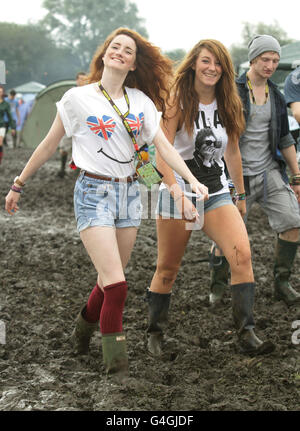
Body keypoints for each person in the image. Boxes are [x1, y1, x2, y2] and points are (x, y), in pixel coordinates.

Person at [5, 28, 208, 376]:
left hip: (130, 195)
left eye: (128, 51)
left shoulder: (141, 103)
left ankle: (81, 332)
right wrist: (18, 183)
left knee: (107, 280)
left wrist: (191, 182)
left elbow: (163, 148)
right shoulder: (76, 98)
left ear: (133, 63)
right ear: (104, 55)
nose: (120, 53)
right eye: (115, 47)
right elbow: (49, 144)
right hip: (92, 193)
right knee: (117, 286)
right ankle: (118, 370)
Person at [145, 39, 275, 358]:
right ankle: (154, 335)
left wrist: (240, 193)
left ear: (225, 70)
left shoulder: (228, 101)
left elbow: (231, 151)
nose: (212, 68)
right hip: (177, 194)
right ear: (194, 64)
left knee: (242, 256)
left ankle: (245, 332)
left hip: (216, 193)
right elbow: (161, 154)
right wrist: (177, 194)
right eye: (206, 61)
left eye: (218, 63)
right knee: (167, 269)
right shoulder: (177, 100)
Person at [209, 35, 300, 308]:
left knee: (293, 222)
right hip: (234, 175)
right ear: (253, 59)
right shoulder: (231, 91)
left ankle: (282, 284)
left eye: (274, 60)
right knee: (228, 235)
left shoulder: (277, 95)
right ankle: (218, 285)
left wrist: (296, 176)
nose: (270, 65)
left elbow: (285, 139)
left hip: (269, 171)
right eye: (265, 59)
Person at [57, 71, 88, 177]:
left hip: (83, 127)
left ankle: (77, 171)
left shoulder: (89, 94)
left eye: (85, 79)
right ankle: (62, 169)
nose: (83, 81)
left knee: (81, 149)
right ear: (77, 80)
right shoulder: (71, 93)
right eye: (81, 79)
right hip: (70, 125)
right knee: (64, 149)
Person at [0, 85, 16, 164]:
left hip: (2, 125)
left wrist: (13, 127)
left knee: (0, 143)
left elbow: (10, 116)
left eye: (1, 92)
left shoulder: (5, 104)